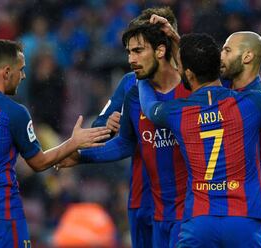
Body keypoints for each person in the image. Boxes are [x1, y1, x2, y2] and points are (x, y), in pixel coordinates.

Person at [0, 39, 110, 248]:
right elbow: (38, 163)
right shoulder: (14, 111)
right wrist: (74, 142)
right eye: (21, 70)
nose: (24, 76)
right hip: (1, 212)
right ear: (6, 71)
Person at [138, 28, 261, 246]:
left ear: (189, 74)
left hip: (199, 221)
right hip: (244, 218)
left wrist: (142, 79)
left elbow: (149, 108)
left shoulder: (175, 111)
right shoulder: (252, 102)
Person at [60, 18, 190, 248]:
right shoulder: (132, 93)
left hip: (193, 210)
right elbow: (125, 144)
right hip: (157, 211)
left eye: (138, 51)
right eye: (129, 52)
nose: (131, 59)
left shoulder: (194, 89)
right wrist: (80, 155)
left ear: (161, 49)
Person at [90, 7, 180, 248]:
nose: (133, 58)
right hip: (144, 196)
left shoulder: (193, 81)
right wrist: (108, 125)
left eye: (140, 48)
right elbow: (99, 127)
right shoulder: (131, 82)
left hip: (187, 199)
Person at [220, 31, 261, 248]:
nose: (221, 56)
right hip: (216, 207)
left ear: (246, 57)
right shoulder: (218, 89)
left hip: (258, 206)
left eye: (227, 50)